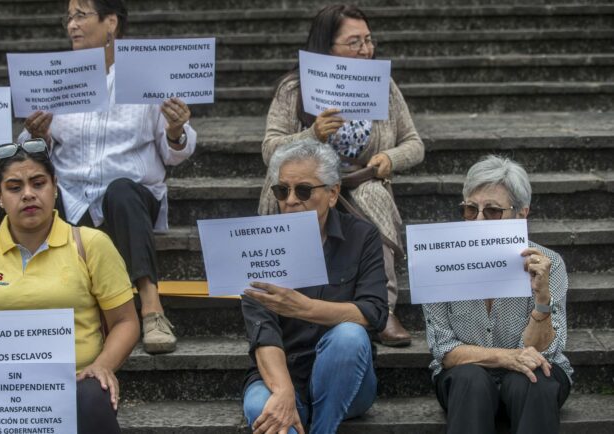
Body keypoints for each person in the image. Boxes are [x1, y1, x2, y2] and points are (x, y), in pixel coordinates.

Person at [19, 0, 197, 353]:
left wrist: (176, 127)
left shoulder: (146, 76)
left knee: (120, 192)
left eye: (81, 15)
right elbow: (30, 152)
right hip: (72, 195)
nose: (71, 25)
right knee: (38, 201)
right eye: (68, 17)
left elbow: (175, 150)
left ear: (111, 22)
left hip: (128, 201)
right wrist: (37, 134)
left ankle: (150, 307)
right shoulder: (57, 78)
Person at [0, 138, 140, 434]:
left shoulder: (91, 244)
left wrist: (103, 365)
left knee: (94, 396)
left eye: (38, 183)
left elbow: (125, 321)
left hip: (74, 383)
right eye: (15, 187)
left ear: (55, 187)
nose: (28, 194)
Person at [258, 4, 423, 347]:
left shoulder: (383, 85)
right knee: (297, 194)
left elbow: (414, 143)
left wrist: (390, 157)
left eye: (368, 40)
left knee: (374, 196)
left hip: (360, 183)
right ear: (327, 47)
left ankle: (383, 308)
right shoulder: (294, 88)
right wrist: (311, 135)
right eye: (354, 42)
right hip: (306, 185)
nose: (366, 50)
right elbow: (270, 148)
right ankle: (284, 301)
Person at [242, 140, 388, 434]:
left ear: (333, 194)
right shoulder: (259, 243)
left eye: (304, 190)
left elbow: (374, 312)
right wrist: (283, 391)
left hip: (348, 375)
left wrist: (304, 308)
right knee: (262, 408)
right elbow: (262, 332)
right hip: (283, 373)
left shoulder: (362, 236)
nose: (291, 200)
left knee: (349, 335)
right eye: (282, 190)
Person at [422, 155, 572, 434]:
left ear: (521, 213)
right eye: (470, 209)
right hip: (466, 380)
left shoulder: (549, 263)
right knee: (470, 379)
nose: (478, 220)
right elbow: (443, 349)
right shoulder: (438, 260)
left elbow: (544, 352)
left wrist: (541, 300)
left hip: (532, 379)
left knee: (535, 377)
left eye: (491, 211)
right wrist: (506, 357)